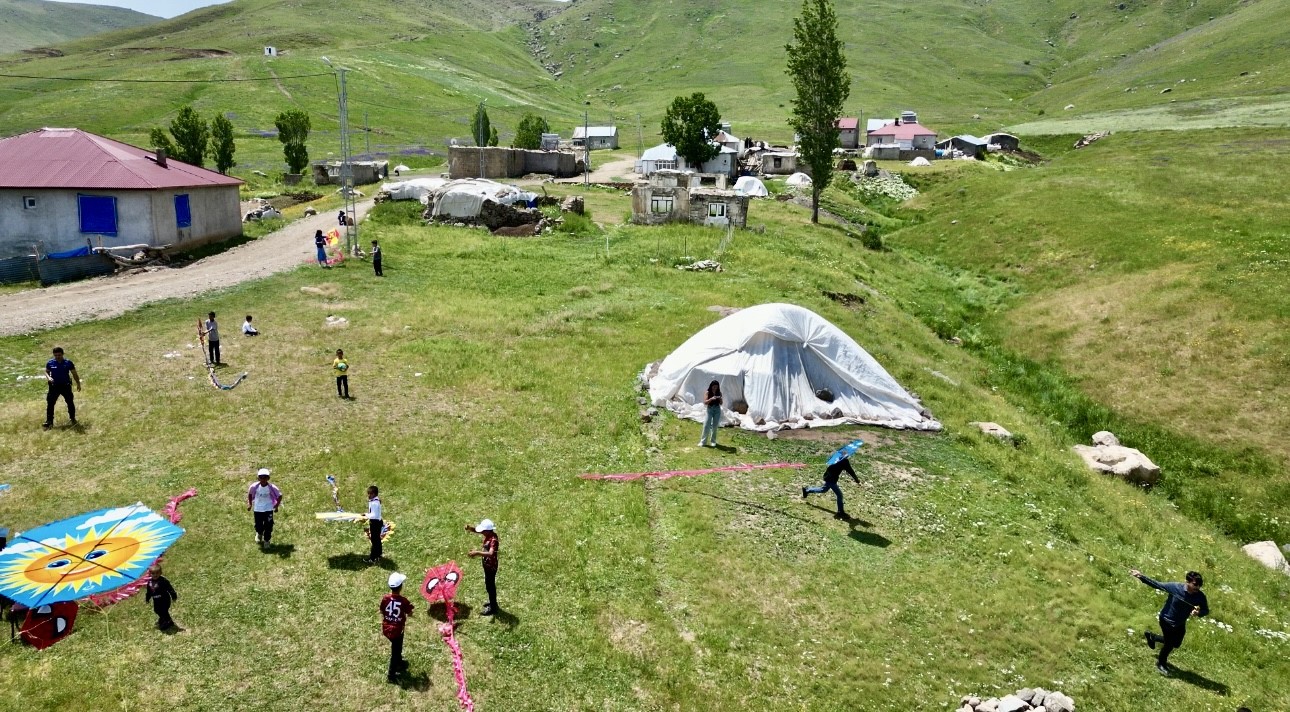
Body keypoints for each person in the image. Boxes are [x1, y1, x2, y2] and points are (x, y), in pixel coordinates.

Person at [1131, 568, 1209, 675]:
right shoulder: (1175, 587)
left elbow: (1206, 610)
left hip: (1180, 623)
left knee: (1176, 644)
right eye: (1195, 584)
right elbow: (1157, 584)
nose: (1198, 587)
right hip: (1167, 620)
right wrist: (1140, 576)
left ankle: (1152, 637)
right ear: (1187, 582)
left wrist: (1198, 613)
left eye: (1200, 585)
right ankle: (1161, 664)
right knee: (1169, 645)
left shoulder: (1200, 596)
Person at [380, 572, 413, 683]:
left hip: (386, 628)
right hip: (397, 630)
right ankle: (391, 675)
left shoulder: (385, 599)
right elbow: (410, 611)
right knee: (396, 650)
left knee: (397, 647)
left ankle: (399, 661)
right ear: (401, 587)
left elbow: (382, 610)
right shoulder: (403, 601)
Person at [466, 519, 500, 615]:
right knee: (488, 585)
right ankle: (492, 602)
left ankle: (493, 607)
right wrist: (470, 528)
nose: (482, 532)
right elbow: (478, 530)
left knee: (490, 586)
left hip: (491, 567)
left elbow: (490, 553)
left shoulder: (494, 540)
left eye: (483, 531)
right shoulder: (488, 534)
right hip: (486, 565)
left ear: (488, 531)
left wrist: (476, 552)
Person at [43, 347, 81, 429]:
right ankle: (49, 421)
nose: (57, 356)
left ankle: (72, 418)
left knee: (70, 402)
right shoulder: (50, 363)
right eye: (55, 355)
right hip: (54, 386)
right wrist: (48, 378)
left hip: (65, 386)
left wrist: (78, 383)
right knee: (50, 403)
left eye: (59, 355)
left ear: (62, 354)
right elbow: (46, 371)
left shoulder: (68, 363)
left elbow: (74, 373)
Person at [247, 468, 282, 546]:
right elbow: (250, 494)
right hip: (258, 509)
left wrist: (276, 506)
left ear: (268, 478)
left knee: (268, 525)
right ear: (258, 478)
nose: (263, 479)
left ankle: (266, 540)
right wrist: (250, 504)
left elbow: (279, 495)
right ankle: (259, 533)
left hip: (268, 508)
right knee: (258, 525)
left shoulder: (272, 487)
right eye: (261, 477)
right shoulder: (254, 486)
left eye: (265, 477)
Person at [145, 565, 179, 630]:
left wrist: (174, 596)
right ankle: (163, 618)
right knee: (157, 610)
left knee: (164, 611)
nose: (155, 575)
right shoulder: (150, 582)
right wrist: (147, 598)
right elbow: (149, 591)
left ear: (160, 573)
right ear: (150, 574)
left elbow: (170, 588)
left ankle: (168, 622)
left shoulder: (163, 581)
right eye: (153, 573)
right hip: (156, 600)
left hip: (165, 599)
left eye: (157, 573)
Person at [698, 380, 722, 447]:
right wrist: (711, 399)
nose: (715, 388)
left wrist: (720, 399)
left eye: (716, 387)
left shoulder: (719, 393)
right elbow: (705, 402)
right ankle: (703, 442)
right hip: (710, 409)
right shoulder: (707, 392)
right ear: (711, 386)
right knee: (706, 425)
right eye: (714, 387)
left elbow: (721, 403)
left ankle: (713, 441)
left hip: (717, 409)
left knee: (715, 426)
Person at [365, 485, 384, 564]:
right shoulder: (373, 501)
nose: (369, 495)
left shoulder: (375, 503)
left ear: (375, 494)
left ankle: (372, 558)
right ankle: (378, 554)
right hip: (376, 522)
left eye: (370, 494)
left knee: (374, 541)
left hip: (375, 523)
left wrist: (365, 515)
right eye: (368, 494)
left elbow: (374, 515)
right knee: (377, 540)